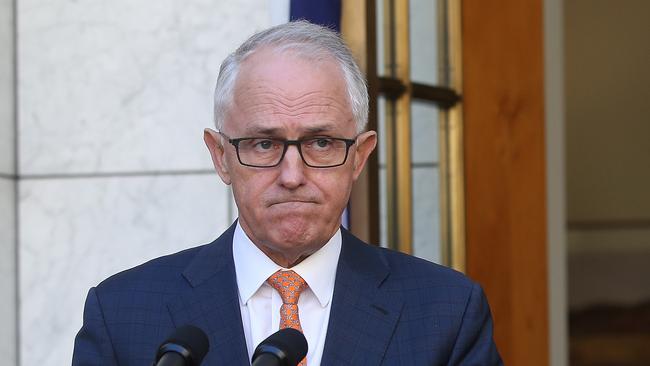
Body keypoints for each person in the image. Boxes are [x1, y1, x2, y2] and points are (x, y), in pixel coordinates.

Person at [72, 21, 502, 365]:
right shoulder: (122, 314)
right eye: (264, 144)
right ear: (220, 156)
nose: (292, 175)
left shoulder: (446, 313)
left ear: (360, 157)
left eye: (321, 143)